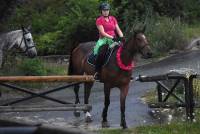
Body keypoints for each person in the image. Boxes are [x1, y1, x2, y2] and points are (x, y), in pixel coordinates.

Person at [94, 2, 124, 79]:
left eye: (107, 10)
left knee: (125, 50)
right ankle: (97, 71)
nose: (106, 11)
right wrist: (112, 38)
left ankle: (125, 70)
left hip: (114, 38)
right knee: (101, 53)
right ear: (101, 11)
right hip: (104, 40)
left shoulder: (113, 19)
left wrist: (121, 37)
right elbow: (102, 33)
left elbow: (118, 29)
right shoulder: (99, 20)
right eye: (104, 10)